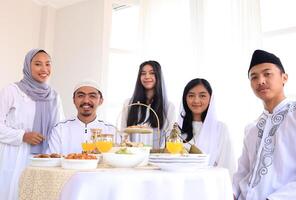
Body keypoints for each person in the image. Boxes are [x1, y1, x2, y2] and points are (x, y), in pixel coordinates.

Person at [0, 49, 64, 200]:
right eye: (38, 64)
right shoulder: (12, 91)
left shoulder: (54, 96)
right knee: (14, 192)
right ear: (28, 67)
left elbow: (59, 129)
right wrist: (22, 136)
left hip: (45, 157)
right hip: (15, 154)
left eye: (48, 64)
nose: (44, 69)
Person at [232, 49, 296, 200]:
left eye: (267, 74)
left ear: (284, 78)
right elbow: (242, 171)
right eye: (254, 77)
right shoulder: (252, 128)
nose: (260, 81)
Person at [178, 78, 236, 176]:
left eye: (202, 96)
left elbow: (227, 165)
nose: (196, 100)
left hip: (210, 185)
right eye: (191, 95)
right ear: (185, 99)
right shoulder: (176, 129)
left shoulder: (220, 129)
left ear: (210, 99)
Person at [48, 79, 116, 155]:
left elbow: (116, 159)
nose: (86, 100)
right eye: (81, 96)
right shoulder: (60, 129)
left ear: (101, 101)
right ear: (74, 100)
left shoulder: (111, 130)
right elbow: (52, 159)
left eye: (92, 96)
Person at [121, 60, 176, 149]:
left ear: (158, 76)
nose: (147, 76)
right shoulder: (129, 103)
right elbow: (123, 132)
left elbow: (169, 135)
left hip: (157, 155)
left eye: (152, 73)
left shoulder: (169, 106)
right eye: (143, 73)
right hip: (133, 155)